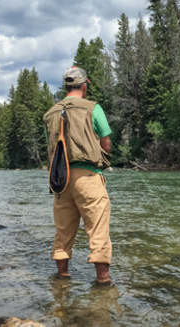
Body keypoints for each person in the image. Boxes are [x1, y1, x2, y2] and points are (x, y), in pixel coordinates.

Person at [43, 66, 112, 284]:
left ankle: (62, 279)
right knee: (98, 230)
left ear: (65, 87)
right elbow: (106, 142)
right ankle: (103, 281)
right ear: (84, 85)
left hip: (60, 180)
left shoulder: (50, 114)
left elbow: (51, 143)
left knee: (63, 232)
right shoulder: (93, 108)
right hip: (88, 176)